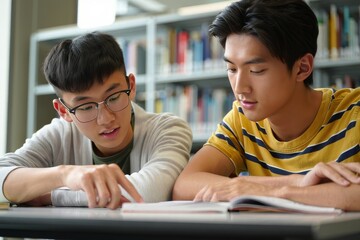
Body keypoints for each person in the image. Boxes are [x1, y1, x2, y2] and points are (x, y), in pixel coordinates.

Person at [173, 0, 360, 211]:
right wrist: (298, 182)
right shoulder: (241, 119)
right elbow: (185, 184)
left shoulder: (355, 112)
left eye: (256, 71)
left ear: (302, 68)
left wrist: (267, 192)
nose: (240, 88)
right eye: (232, 69)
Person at [0, 32, 192, 209]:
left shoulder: (169, 129)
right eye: (86, 107)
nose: (106, 118)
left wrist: (52, 194)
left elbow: (147, 192)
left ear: (131, 86)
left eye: (114, 97)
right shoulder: (58, 135)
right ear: (63, 111)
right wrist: (65, 175)